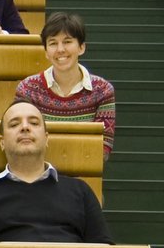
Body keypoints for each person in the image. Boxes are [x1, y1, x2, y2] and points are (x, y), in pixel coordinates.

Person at [0, 101, 114, 243]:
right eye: (14, 124)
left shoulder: (80, 191)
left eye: (34, 123)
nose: (25, 127)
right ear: (2, 142)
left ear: (46, 139)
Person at [16, 11, 116, 158]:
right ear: (45, 52)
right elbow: (23, 141)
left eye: (67, 41)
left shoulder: (103, 90)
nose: (60, 49)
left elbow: (103, 148)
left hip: (83, 173)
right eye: (53, 43)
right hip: (38, 174)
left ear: (81, 47)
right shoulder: (27, 88)